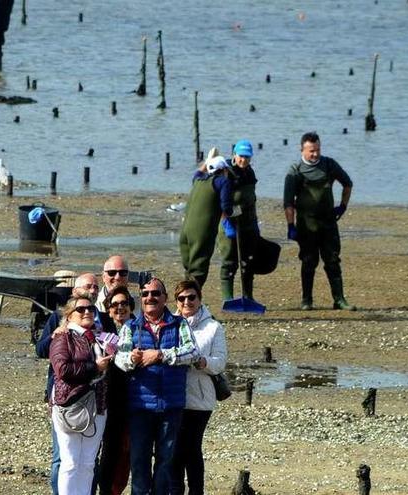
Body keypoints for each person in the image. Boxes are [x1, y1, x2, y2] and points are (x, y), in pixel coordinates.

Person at [114, 277, 201, 495]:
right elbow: (119, 358)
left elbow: (193, 353)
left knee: (165, 463)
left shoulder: (179, 324)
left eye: (155, 293)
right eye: (145, 294)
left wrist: (161, 355)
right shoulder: (130, 327)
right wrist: (132, 359)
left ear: (165, 298)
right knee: (139, 462)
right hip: (140, 407)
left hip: (170, 406)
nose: (150, 297)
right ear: (141, 299)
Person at [37, 272, 112, 495]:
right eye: (81, 309)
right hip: (69, 403)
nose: (87, 312)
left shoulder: (100, 334)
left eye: (91, 309)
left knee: (88, 462)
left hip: (98, 404)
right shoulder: (62, 336)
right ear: (69, 315)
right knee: (68, 462)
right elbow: (62, 369)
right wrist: (94, 367)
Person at [284, 132, 355, 310]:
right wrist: (291, 225)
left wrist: (343, 206)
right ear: (302, 150)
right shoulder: (295, 170)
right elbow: (288, 202)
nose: (315, 154)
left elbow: (347, 183)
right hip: (306, 225)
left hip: (328, 223)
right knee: (309, 262)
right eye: (311, 151)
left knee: (332, 261)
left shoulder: (329, 164)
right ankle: (307, 300)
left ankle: (339, 300)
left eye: (317, 150)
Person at [170, 279, 227, 495]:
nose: (187, 302)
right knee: (174, 449)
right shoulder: (170, 323)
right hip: (174, 395)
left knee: (192, 448)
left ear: (199, 298)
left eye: (191, 297)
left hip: (201, 399)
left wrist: (203, 362)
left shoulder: (213, 327)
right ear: (176, 301)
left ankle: (196, 491)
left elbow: (220, 361)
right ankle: (175, 491)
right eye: (181, 298)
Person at [96, 286, 136, 495]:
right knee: (107, 451)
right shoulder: (102, 330)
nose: (120, 308)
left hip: (133, 398)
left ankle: (116, 490)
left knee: (127, 451)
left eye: (124, 304)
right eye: (115, 305)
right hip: (107, 399)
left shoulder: (139, 329)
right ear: (108, 309)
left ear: (131, 307)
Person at [179, 149, 234, 289]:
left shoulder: (198, 181)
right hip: (202, 233)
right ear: (223, 170)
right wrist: (232, 219)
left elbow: (198, 172)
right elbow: (226, 207)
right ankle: (192, 302)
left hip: (185, 232)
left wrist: (208, 160)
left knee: (189, 268)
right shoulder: (222, 182)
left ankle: (185, 298)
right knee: (198, 270)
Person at [217, 139, 260, 301]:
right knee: (229, 263)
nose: (244, 160)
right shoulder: (226, 173)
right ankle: (228, 298)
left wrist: (254, 223)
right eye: (241, 156)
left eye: (247, 157)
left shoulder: (250, 172)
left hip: (248, 223)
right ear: (234, 155)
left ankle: (248, 297)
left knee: (248, 263)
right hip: (229, 223)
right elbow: (219, 202)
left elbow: (251, 199)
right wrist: (227, 223)